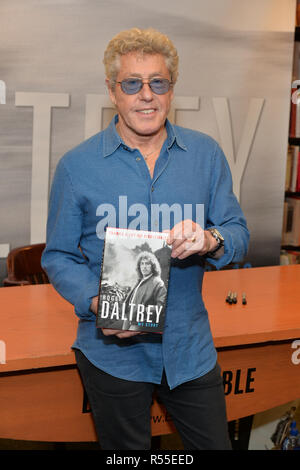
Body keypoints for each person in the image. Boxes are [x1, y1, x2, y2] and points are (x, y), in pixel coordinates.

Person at [41, 27, 249, 450]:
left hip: (189, 350)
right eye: (132, 84)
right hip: (112, 355)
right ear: (112, 91)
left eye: (158, 83)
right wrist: (96, 299)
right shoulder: (76, 166)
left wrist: (210, 239)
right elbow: (59, 256)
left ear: (171, 90)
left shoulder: (206, 156)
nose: (146, 95)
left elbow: (239, 234)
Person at [122, 251, 167, 331]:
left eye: (147, 264)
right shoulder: (139, 281)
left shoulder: (158, 282)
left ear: (153, 266)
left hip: (141, 321)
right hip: (129, 317)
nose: (144, 266)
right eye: (142, 264)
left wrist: (144, 310)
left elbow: (161, 307)